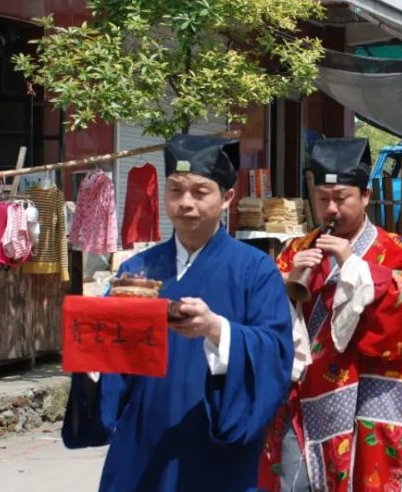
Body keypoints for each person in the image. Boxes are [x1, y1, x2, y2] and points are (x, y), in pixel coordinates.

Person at [62, 135, 294, 492]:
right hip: (143, 445)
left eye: (200, 192)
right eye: (175, 191)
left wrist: (217, 330)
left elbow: (276, 352)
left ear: (227, 197)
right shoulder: (139, 270)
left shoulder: (256, 270)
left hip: (214, 444)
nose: (186, 203)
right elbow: (111, 360)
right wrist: (90, 351)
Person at [259, 138, 402, 492]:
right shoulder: (297, 248)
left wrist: (353, 265)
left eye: (341, 198)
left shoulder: (394, 249)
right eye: (322, 199)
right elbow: (264, 319)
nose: (331, 209)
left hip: (368, 386)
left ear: (365, 196)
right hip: (304, 392)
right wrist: (284, 281)